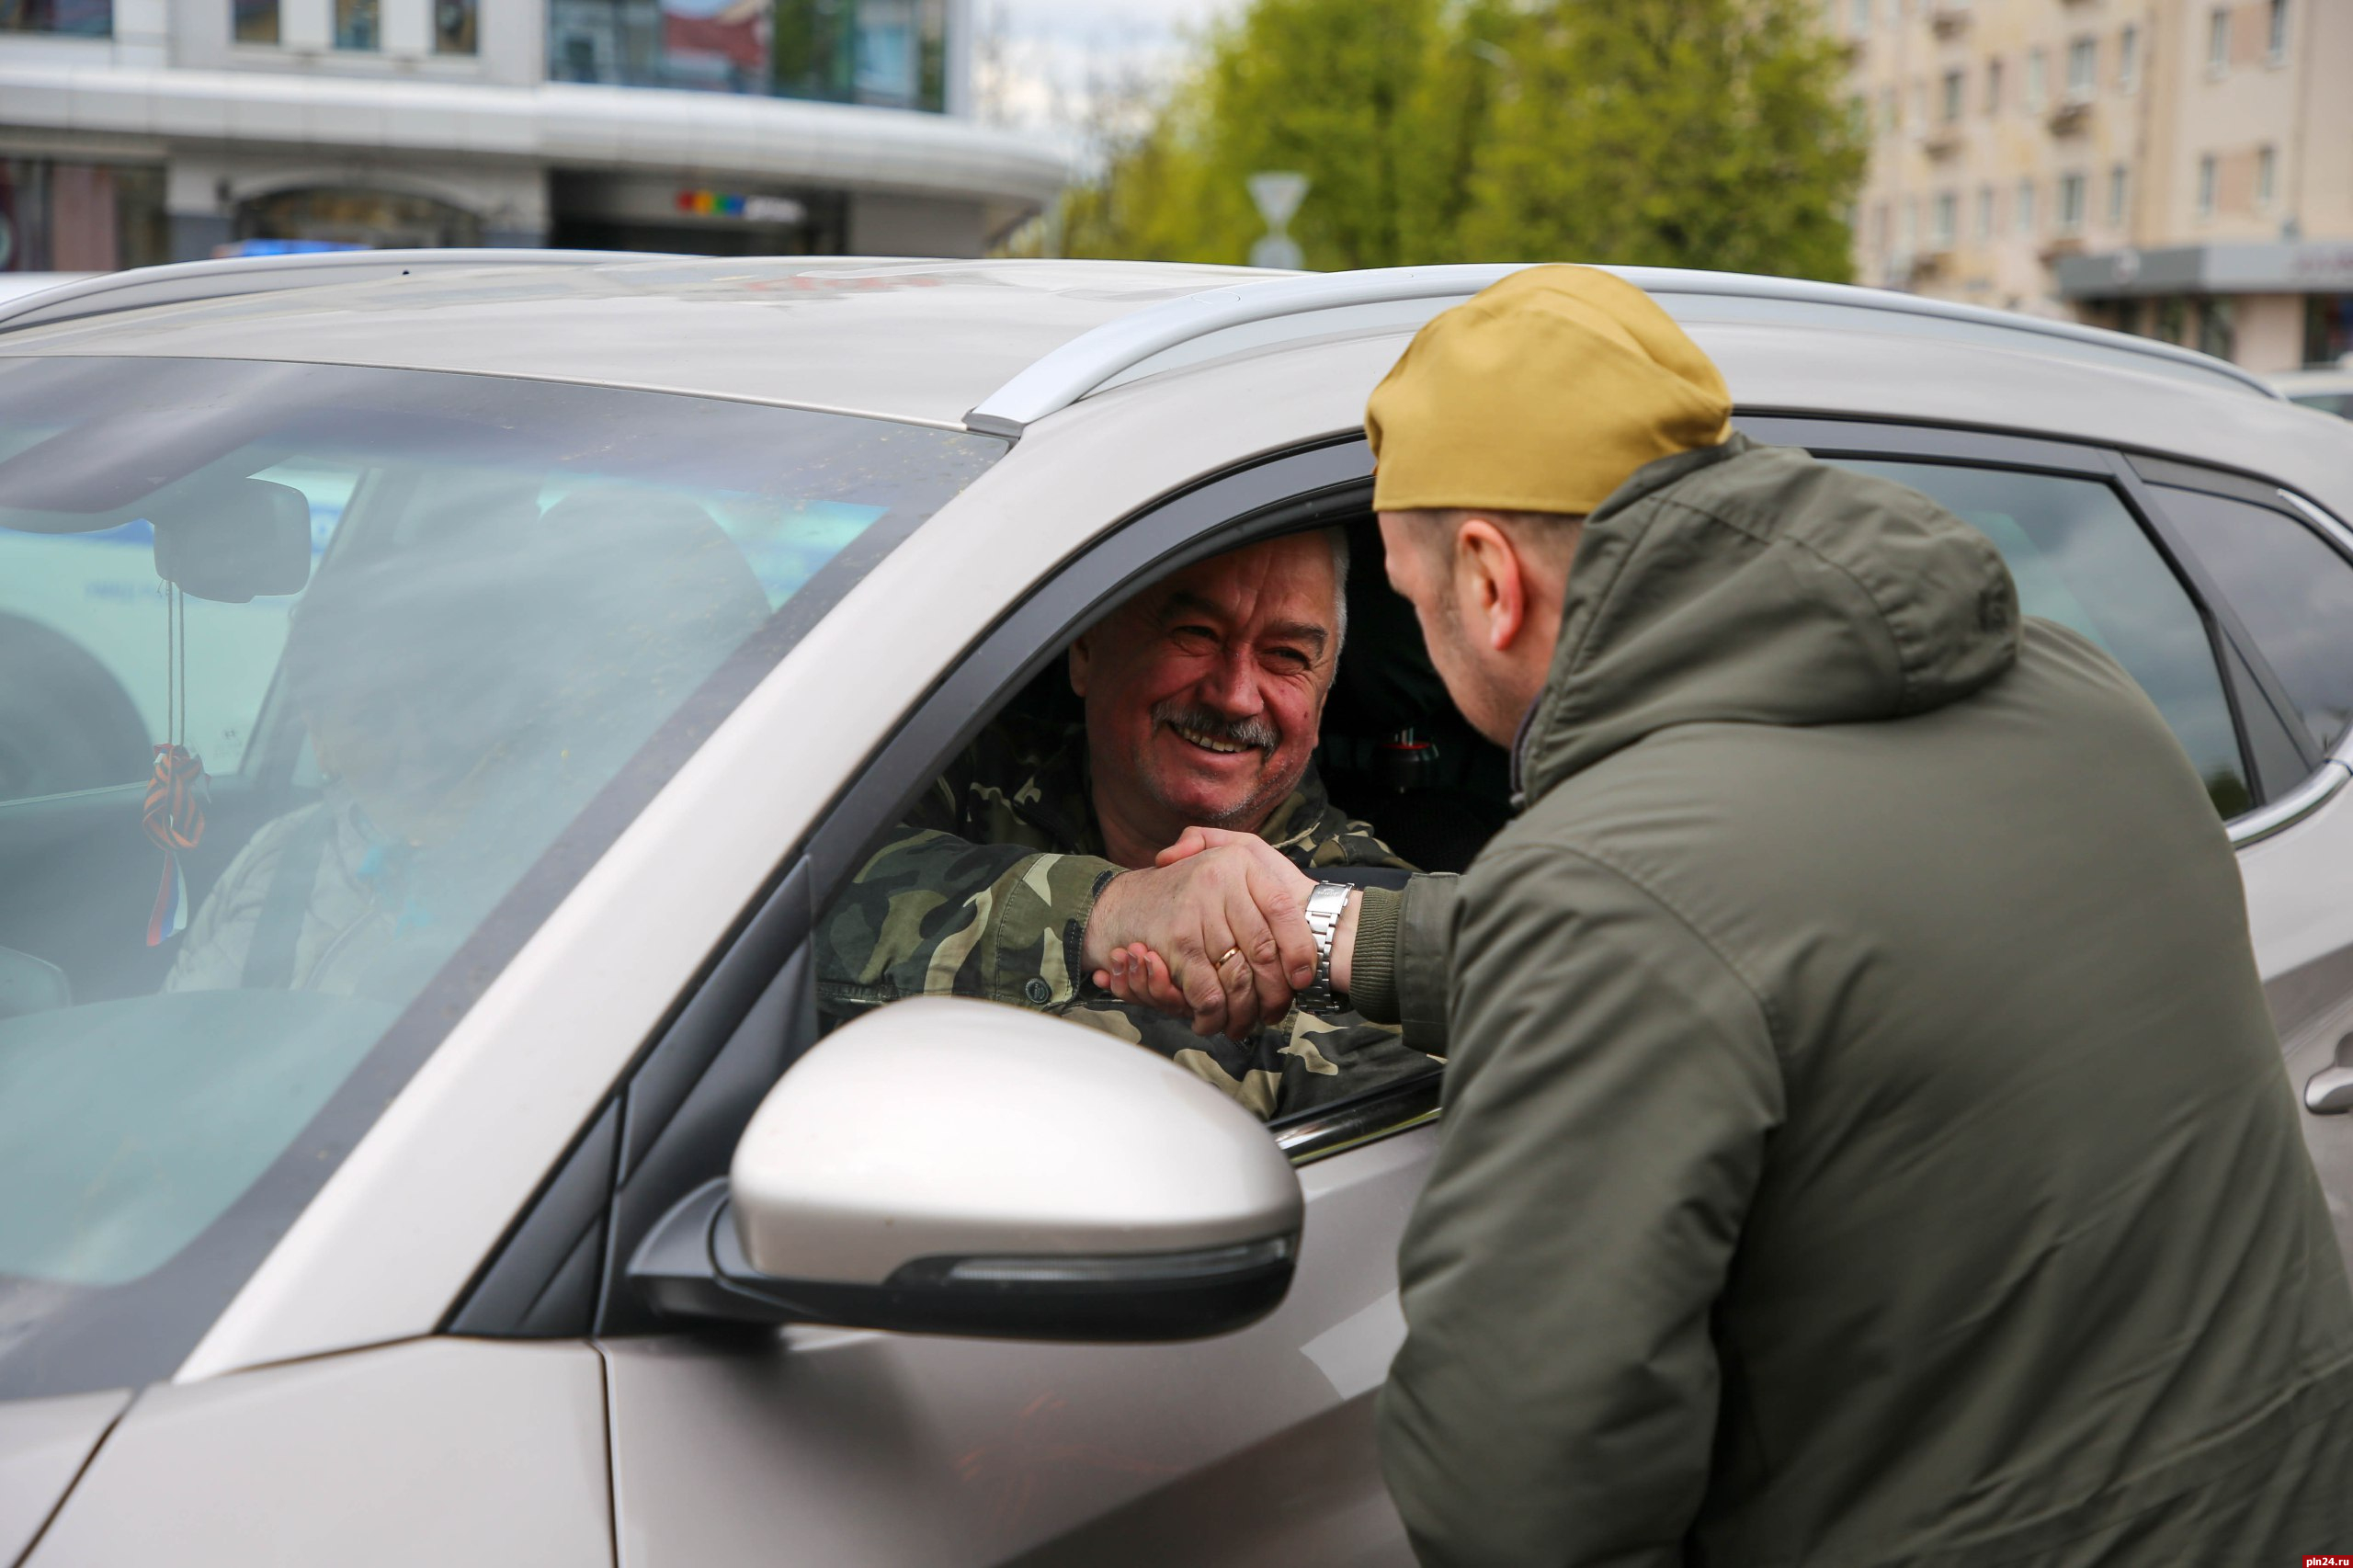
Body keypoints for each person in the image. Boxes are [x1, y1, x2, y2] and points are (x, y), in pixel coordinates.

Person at [1361, 266, 2353, 1564]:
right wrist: (1346, 934)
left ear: (1487, 579)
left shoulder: (1613, 883)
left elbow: (1521, 1501)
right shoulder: (2081, 689)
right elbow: (1792, 957)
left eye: (1401, 591)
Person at [813, 529, 1444, 1118]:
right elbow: (776, 904)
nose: (1234, 696)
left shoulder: (1369, 935)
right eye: (1195, 633)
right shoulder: (953, 774)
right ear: (1085, 650)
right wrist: (1107, 910)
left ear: (1324, 696)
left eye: (1285, 657)